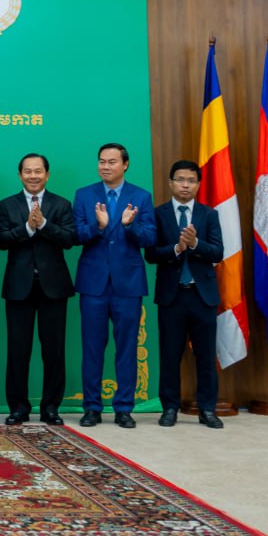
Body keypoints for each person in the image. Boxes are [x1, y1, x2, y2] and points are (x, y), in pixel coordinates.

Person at [72, 143, 157, 428]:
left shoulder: (141, 197)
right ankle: (92, 407)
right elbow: (76, 235)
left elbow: (150, 238)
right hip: (93, 284)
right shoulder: (84, 195)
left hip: (128, 284)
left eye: (111, 162)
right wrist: (98, 226)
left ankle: (123, 408)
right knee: (92, 348)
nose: (105, 166)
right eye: (101, 161)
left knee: (127, 348)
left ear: (125, 164)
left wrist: (130, 226)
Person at [0, 153, 77, 426]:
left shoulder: (61, 204)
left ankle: (51, 408)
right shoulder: (6, 205)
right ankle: (18, 407)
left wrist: (43, 224)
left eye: (38, 171)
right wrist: (28, 229)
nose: (33, 176)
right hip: (19, 288)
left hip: (53, 288)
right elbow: (2, 240)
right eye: (28, 171)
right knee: (17, 351)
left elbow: (69, 239)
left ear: (47, 174)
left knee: (54, 351)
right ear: (20, 175)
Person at [145, 160, 226, 429]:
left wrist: (195, 243)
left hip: (203, 296)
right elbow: (151, 254)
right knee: (170, 356)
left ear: (198, 185)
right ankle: (170, 408)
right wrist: (178, 248)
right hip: (172, 296)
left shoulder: (208, 214)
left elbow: (217, 252)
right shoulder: (158, 214)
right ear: (170, 183)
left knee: (206, 357)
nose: (185, 185)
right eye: (180, 180)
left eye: (191, 181)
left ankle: (207, 409)